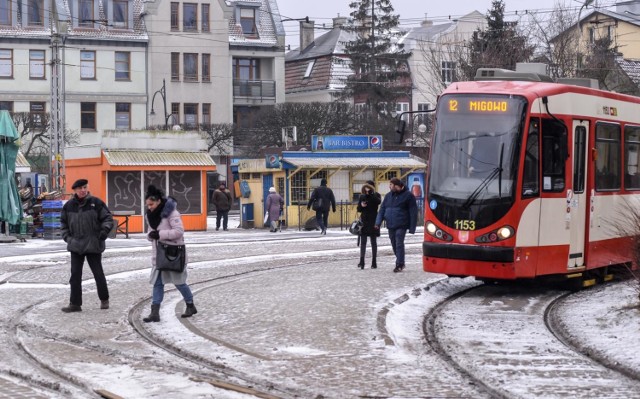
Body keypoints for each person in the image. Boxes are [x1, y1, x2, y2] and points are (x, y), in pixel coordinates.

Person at [143, 185, 197, 322]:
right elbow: (150, 232)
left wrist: (160, 234)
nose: (149, 207)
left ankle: (190, 305)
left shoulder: (172, 213)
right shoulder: (150, 215)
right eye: (147, 205)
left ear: (159, 201)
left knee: (179, 282)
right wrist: (151, 236)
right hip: (158, 255)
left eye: (151, 204)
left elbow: (179, 232)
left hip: (172, 254)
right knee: (157, 283)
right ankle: (154, 312)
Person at [60, 179, 113, 312]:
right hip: (75, 246)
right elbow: (63, 224)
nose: (83, 190)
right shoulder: (68, 206)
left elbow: (107, 218)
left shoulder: (96, 203)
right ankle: (75, 304)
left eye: (84, 187)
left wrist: (104, 231)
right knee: (75, 276)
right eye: (80, 188)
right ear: (75, 190)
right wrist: (68, 238)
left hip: (93, 244)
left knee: (98, 273)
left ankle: (104, 299)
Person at [375, 177, 418, 273]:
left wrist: (412, 227)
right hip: (390, 224)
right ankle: (400, 261)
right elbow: (382, 210)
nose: (389, 186)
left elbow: (413, 212)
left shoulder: (408, 196)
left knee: (399, 243)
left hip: (401, 224)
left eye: (391, 185)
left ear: (397, 186)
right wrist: (378, 223)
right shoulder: (388, 196)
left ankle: (399, 264)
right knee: (394, 243)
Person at [357, 181, 381, 269]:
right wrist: (361, 206)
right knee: (363, 242)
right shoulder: (362, 196)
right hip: (364, 221)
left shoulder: (376, 195)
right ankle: (362, 261)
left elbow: (378, 202)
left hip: (373, 221)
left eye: (368, 186)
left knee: (373, 242)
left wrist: (371, 194)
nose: (366, 188)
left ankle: (374, 262)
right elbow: (358, 209)